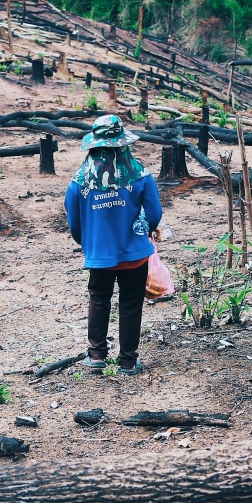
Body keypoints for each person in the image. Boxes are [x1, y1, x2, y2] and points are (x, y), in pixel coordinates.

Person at [64, 114, 162, 375]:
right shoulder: (141, 175)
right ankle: (128, 361)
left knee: (99, 299)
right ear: (124, 144)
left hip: (100, 256)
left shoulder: (79, 181)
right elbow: (154, 215)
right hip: (136, 256)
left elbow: (74, 222)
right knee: (131, 304)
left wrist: (89, 245)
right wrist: (143, 231)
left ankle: (96, 356)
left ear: (94, 145)